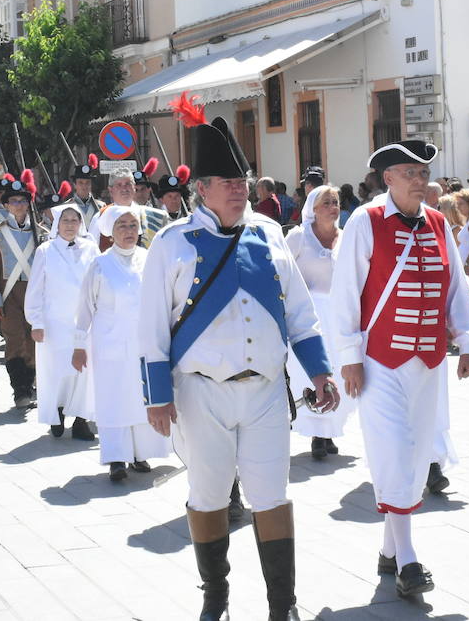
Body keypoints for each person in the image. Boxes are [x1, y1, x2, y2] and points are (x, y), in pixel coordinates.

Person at [139, 98, 337, 621]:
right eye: (225, 181)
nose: (237, 189)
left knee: (272, 494)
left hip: (267, 390)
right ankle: (216, 597)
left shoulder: (269, 235)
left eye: (241, 180)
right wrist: (157, 398)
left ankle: (282, 605)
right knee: (207, 495)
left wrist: (319, 370)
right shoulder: (172, 243)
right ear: (200, 188)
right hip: (200, 392)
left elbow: (300, 311)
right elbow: (152, 330)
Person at [326, 139, 469, 600]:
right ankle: (409, 560)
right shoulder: (365, 221)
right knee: (392, 449)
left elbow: (454, 284)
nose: (420, 180)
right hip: (379, 361)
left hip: (428, 359)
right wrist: (350, 357)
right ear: (387, 178)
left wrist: (468, 341)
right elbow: (345, 293)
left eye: (423, 173)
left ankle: (390, 550)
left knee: (416, 453)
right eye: (409, 173)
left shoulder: (437, 222)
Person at [73, 205, 172, 480]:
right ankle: (116, 457)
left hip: (143, 344)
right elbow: (85, 308)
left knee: (141, 398)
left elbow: (162, 301)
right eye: (122, 226)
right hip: (109, 345)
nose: (129, 231)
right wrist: (79, 345)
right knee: (114, 399)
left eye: (132, 225)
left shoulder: (149, 258)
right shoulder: (100, 264)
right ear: (111, 232)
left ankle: (140, 454)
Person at [285, 184, 357, 460]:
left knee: (339, 370)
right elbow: (281, 273)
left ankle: (329, 430)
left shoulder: (346, 237)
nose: (333, 207)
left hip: (339, 316)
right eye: (326, 202)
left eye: (336, 202)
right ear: (313, 209)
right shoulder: (299, 238)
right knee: (311, 372)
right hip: (309, 317)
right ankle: (317, 433)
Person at [25, 202, 98, 440]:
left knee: (84, 371)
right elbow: (35, 288)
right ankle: (57, 413)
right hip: (54, 322)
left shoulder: (91, 248)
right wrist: (36, 321)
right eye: (65, 220)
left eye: (74, 220)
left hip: (84, 322)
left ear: (80, 223)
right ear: (57, 223)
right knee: (57, 370)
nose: (70, 225)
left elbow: (100, 283)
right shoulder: (46, 250)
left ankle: (81, 419)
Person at [0, 176, 43, 409]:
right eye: (14, 201)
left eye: (22, 201)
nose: (18, 205)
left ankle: (33, 383)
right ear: (6, 205)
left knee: (34, 341)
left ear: (28, 204)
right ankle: (20, 389)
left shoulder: (40, 231)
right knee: (15, 340)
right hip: (9, 294)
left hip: (35, 292)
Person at [71, 155, 103, 228]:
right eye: (80, 183)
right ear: (75, 185)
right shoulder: (67, 206)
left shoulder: (101, 206)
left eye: (87, 183)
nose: (84, 186)